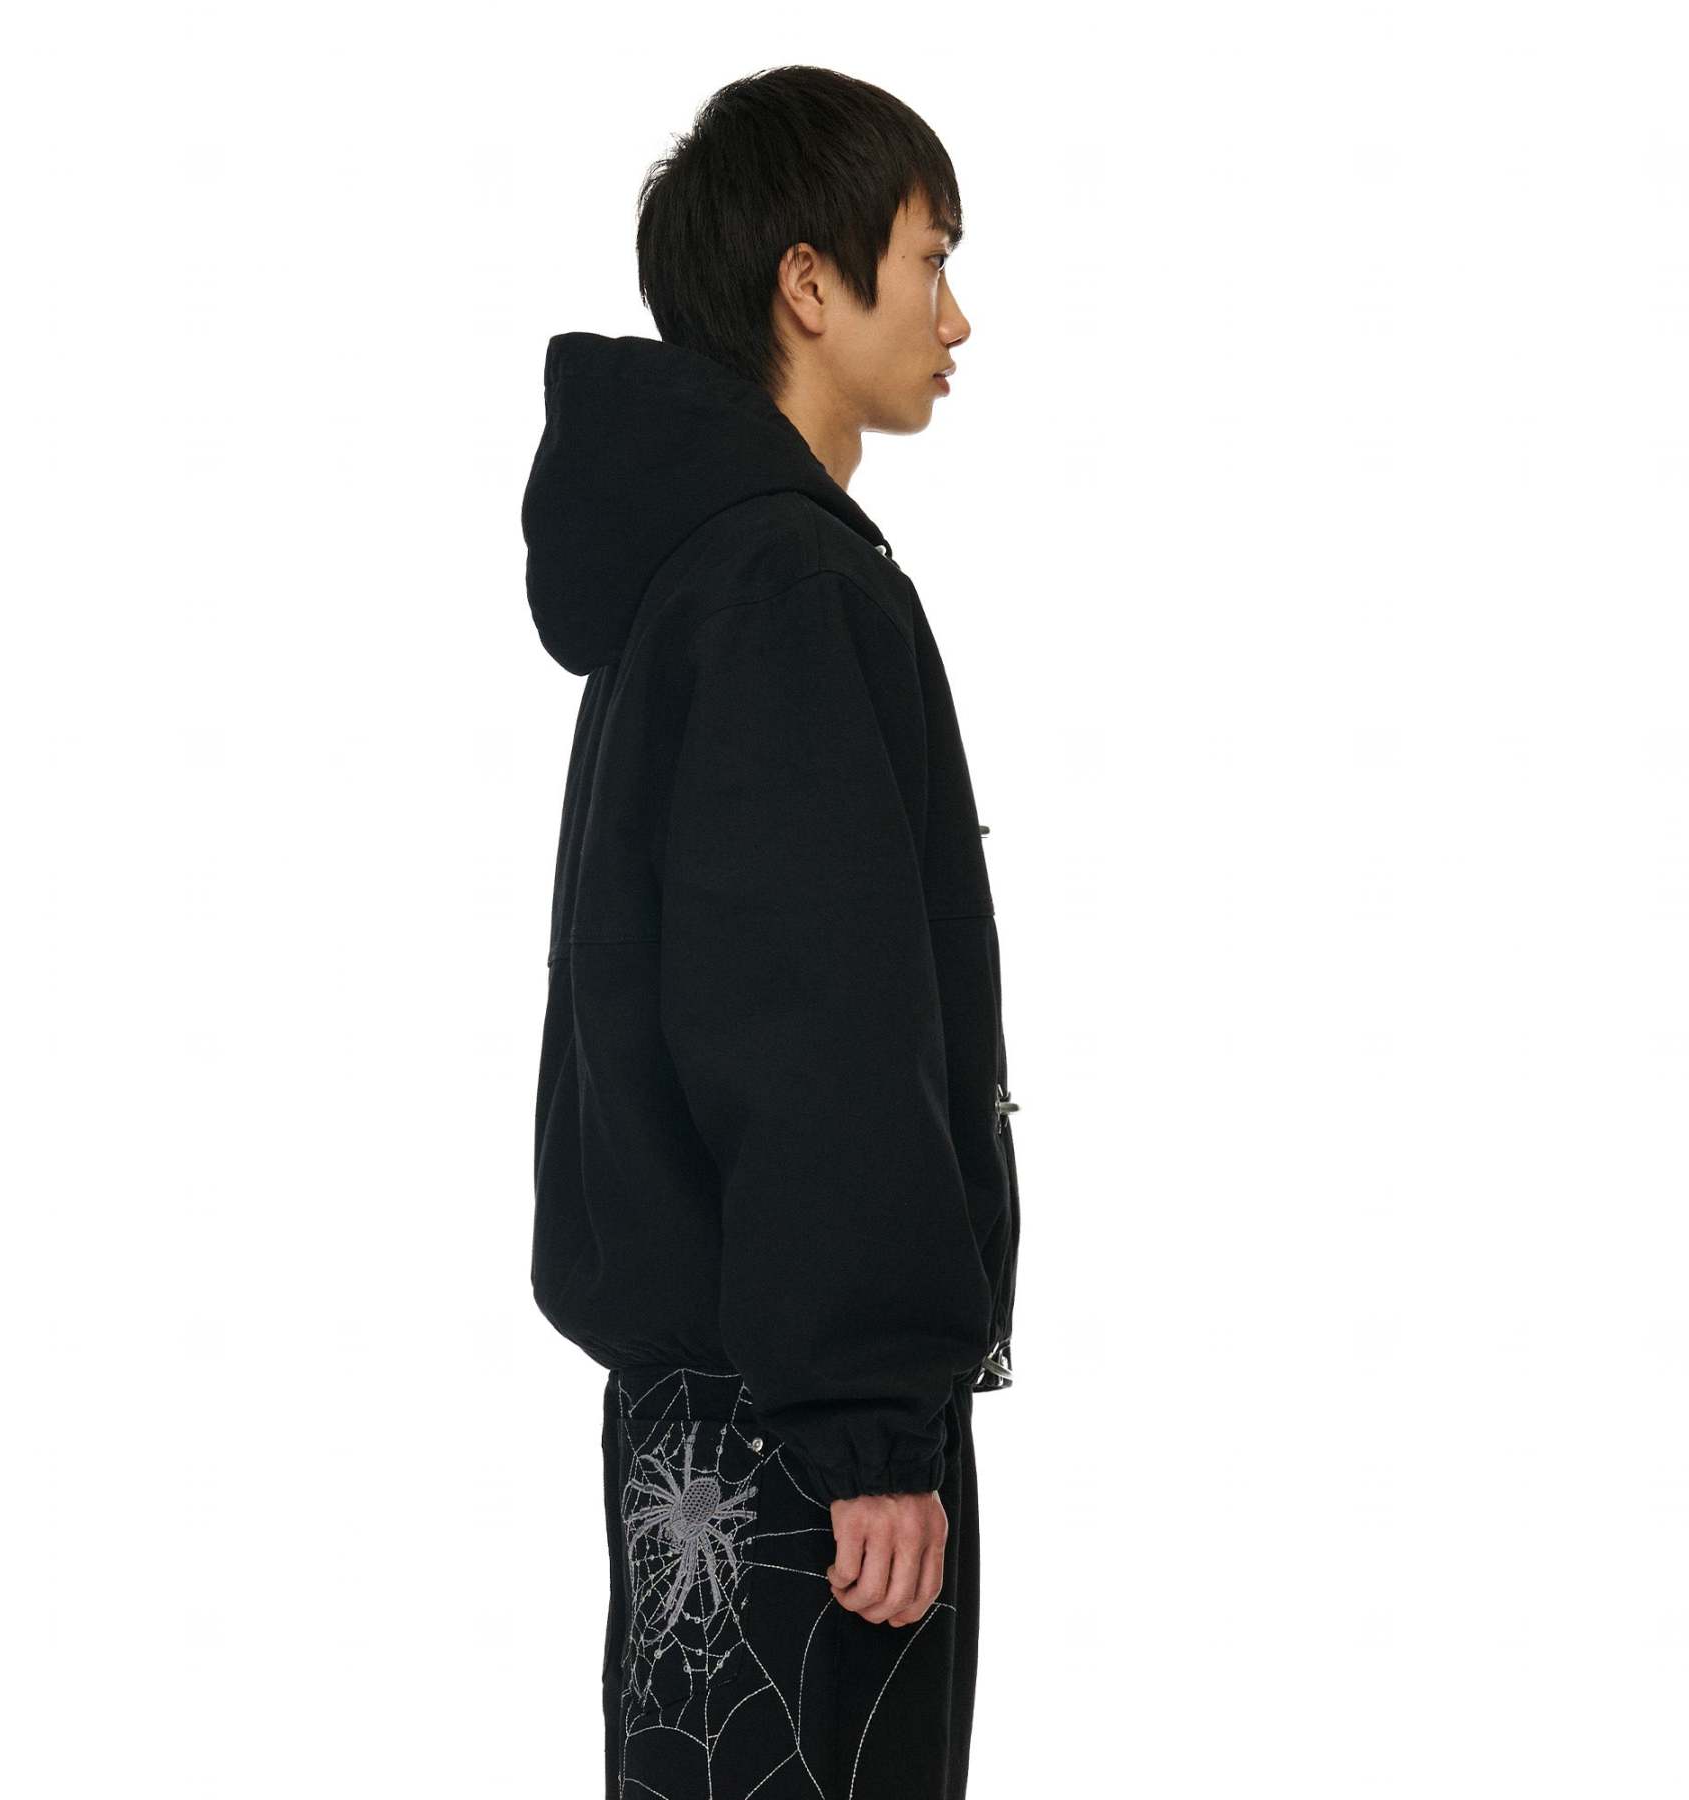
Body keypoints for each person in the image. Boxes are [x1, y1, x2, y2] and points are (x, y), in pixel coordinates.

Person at [519, 64, 1022, 1799]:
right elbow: (808, 1017)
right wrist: (873, 1423)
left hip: (706, 1407)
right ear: (810, 282)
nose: (955, 316)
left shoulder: (692, 577)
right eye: (929, 259)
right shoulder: (783, 586)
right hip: (803, 1429)